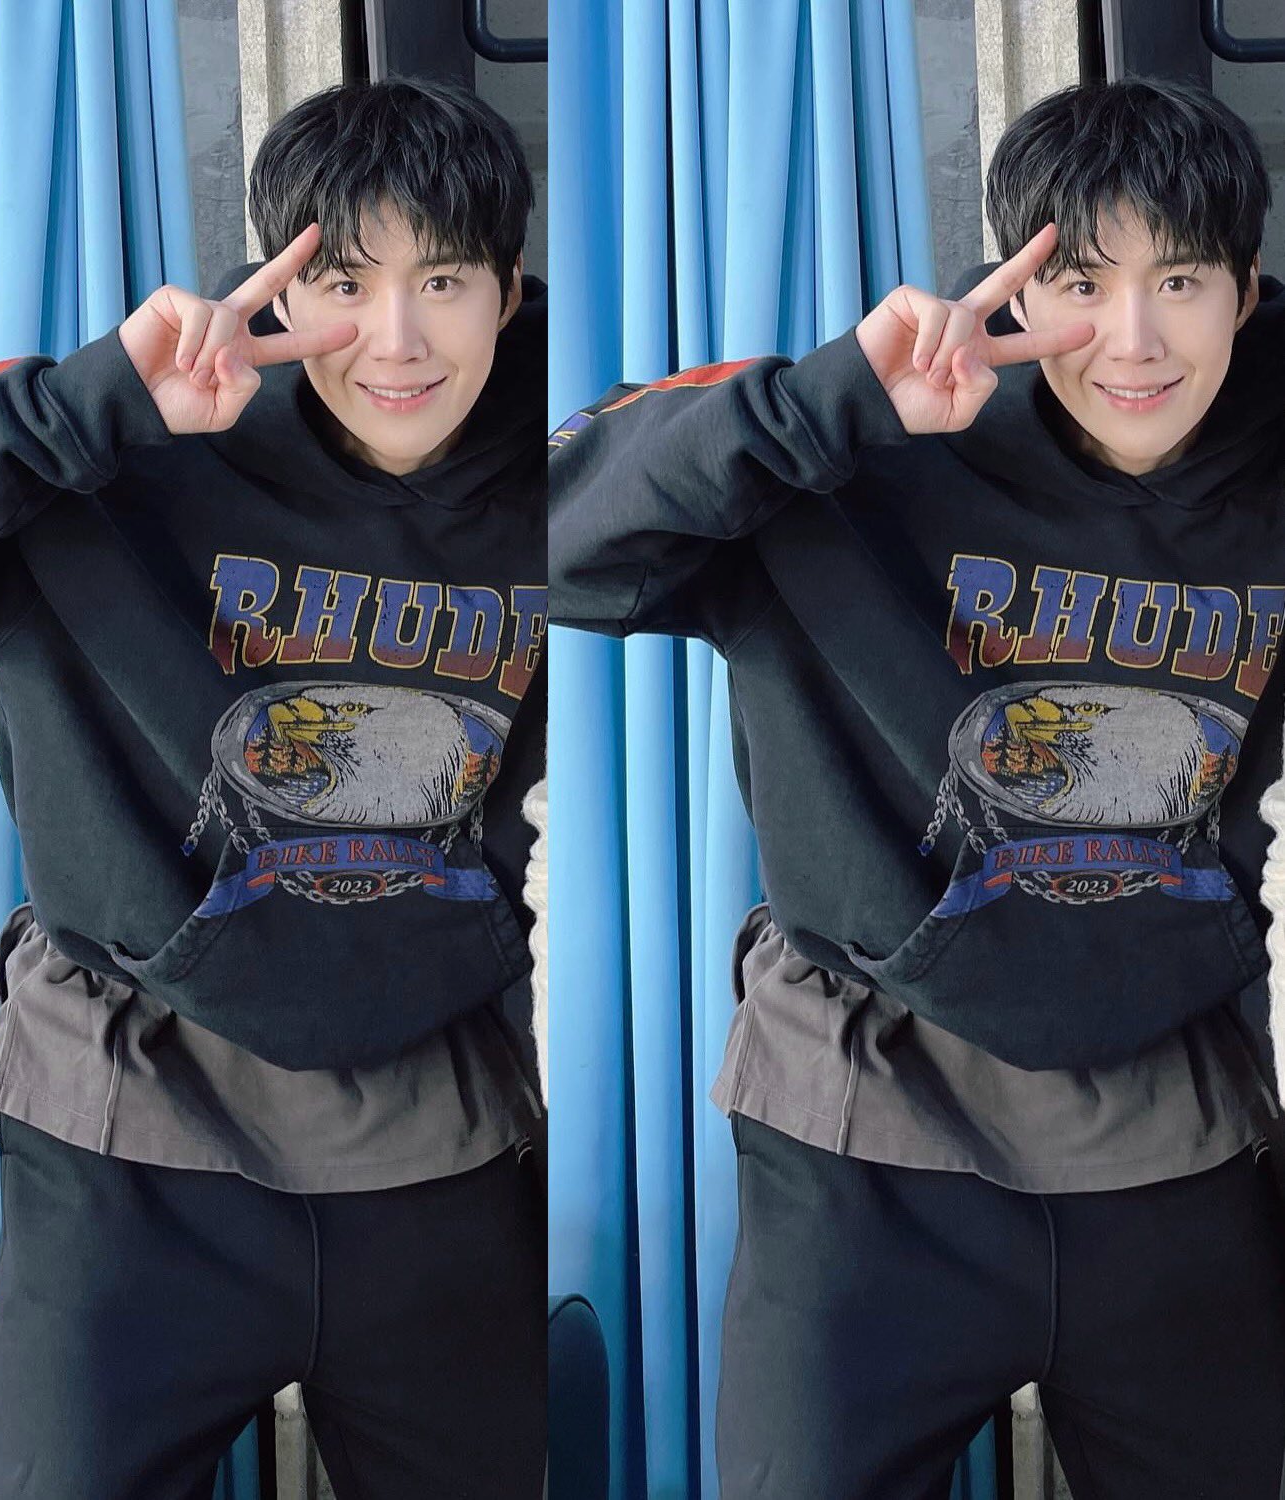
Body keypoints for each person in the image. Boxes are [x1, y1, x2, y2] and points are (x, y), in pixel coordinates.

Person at [550, 76, 1285, 1499]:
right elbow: (551, 535)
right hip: (861, 1140)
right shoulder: (857, 444)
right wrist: (820, 409)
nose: (1133, 339)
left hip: (1175, 1142)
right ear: (1019, 284)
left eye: (1183, 281)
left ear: (1244, 294)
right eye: (1083, 282)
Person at [0, 77, 546, 1499]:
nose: (395, 339)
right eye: (346, 282)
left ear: (508, 296)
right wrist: (83, 409)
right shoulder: (118, 448)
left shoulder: (552, 462)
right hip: (122, 1140)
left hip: (434, 1147)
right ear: (283, 282)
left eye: (446, 281)